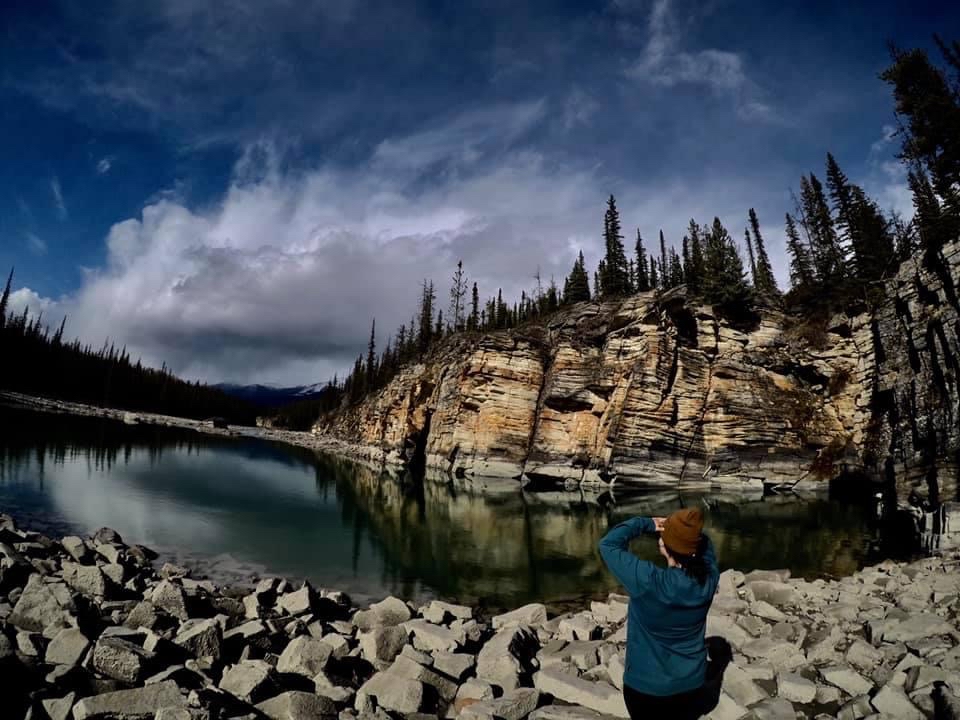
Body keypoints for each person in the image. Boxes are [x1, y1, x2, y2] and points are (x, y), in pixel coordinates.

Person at [598, 508, 720, 720]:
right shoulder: (709, 579)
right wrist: (685, 532)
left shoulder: (648, 582)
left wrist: (648, 523)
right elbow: (705, 545)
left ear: (663, 546)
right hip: (691, 686)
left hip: (646, 690)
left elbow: (608, 544)